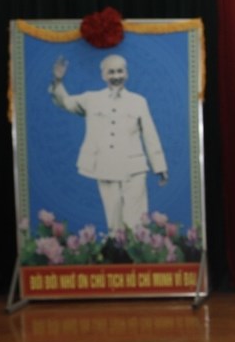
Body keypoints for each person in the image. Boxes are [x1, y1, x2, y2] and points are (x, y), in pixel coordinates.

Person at [49, 53, 168, 234]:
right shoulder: (91, 99)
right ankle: (119, 255)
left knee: (136, 218)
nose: (116, 76)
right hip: (106, 166)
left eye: (120, 71)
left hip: (134, 168)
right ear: (103, 75)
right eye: (111, 72)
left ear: (126, 73)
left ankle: (138, 253)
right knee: (114, 219)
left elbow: (150, 134)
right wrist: (58, 81)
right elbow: (65, 102)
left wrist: (159, 166)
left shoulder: (138, 101)